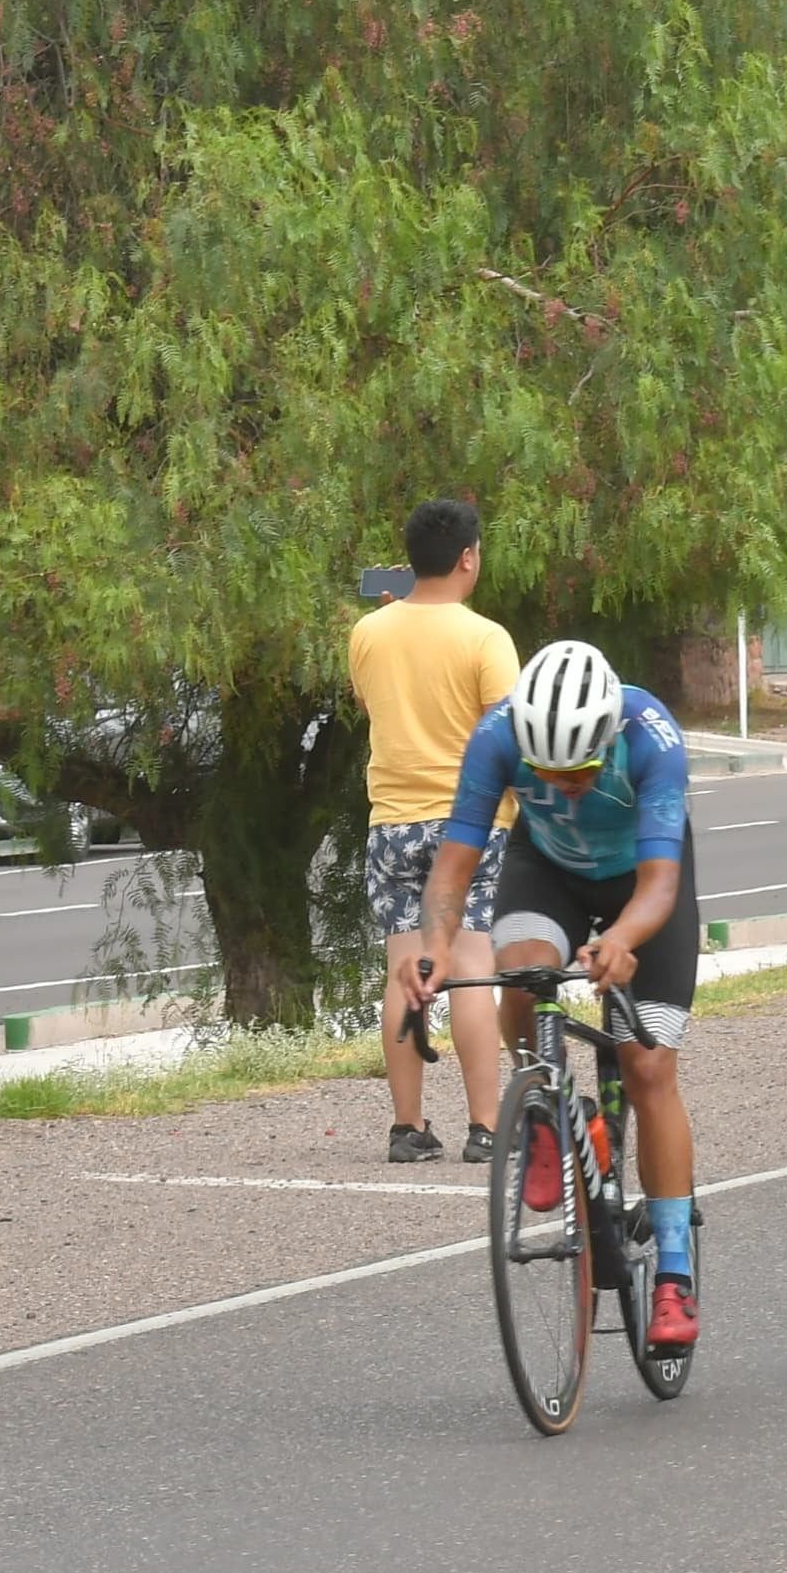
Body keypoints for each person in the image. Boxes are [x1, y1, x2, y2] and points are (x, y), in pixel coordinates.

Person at [416, 640, 704, 1353]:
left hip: (642, 878)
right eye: (547, 771)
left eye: (578, 770)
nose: (565, 784)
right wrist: (433, 947)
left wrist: (623, 937)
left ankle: (673, 1270)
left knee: (647, 1065)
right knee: (523, 975)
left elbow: (661, 885)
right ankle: (543, 1105)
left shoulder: (651, 738)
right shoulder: (495, 735)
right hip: (547, 868)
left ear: (606, 739)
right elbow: (455, 863)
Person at [350, 496, 518, 1165]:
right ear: (469, 557)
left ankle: (408, 1127)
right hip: (470, 824)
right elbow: (508, 729)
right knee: (473, 966)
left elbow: (370, 702)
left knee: (404, 969)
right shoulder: (485, 638)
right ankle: (483, 1126)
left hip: (391, 819)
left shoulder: (369, 632)